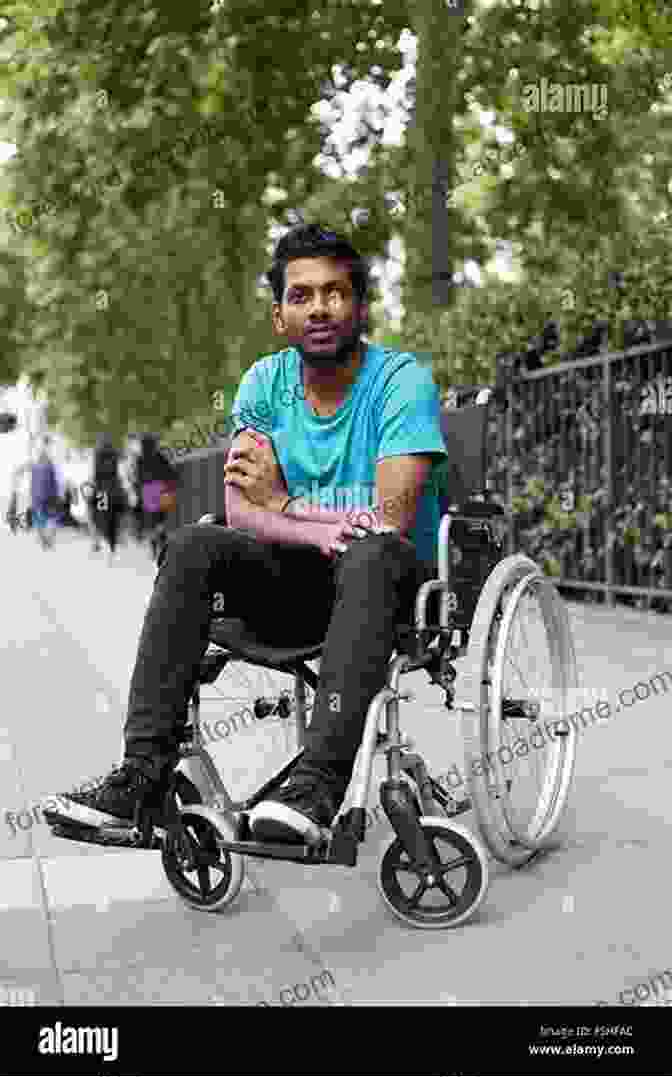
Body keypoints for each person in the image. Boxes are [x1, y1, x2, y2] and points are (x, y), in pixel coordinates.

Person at [44, 223, 448, 846]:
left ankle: (318, 782)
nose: (319, 307)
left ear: (360, 307)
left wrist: (284, 502)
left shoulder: (401, 382)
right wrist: (313, 529)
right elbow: (240, 512)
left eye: (335, 293)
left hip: (386, 590)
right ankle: (143, 774)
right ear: (280, 315)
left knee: (369, 553)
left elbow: (388, 516)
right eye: (301, 295)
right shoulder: (264, 383)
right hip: (297, 586)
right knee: (191, 543)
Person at [136, 435, 179, 561]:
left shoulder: (140, 459)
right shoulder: (159, 456)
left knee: (152, 522)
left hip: (148, 491)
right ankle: (163, 548)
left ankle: (154, 550)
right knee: (161, 520)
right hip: (162, 490)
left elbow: (138, 477)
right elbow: (170, 471)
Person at [89, 435, 128, 564]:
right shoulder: (114, 455)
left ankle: (105, 546)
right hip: (114, 491)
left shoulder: (97, 456)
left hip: (102, 493)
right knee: (114, 520)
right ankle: (112, 547)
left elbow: (95, 476)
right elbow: (118, 474)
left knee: (101, 518)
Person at [30, 438, 60, 550]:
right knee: (52, 518)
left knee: (39, 520)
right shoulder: (51, 458)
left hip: (38, 495)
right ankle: (48, 542)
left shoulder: (35, 457)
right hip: (49, 494)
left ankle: (45, 542)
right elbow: (57, 478)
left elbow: (33, 479)